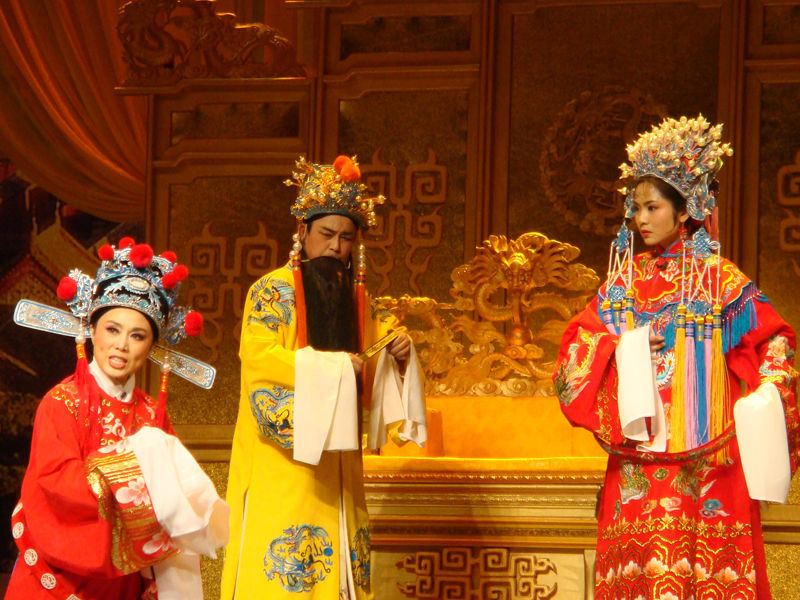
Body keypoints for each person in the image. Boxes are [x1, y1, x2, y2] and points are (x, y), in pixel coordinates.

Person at [554, 115, 799, 600]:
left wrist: (770, 389)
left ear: (684, 210)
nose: (641, 220)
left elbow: (775, 342)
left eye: (653, 207)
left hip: (709, 458)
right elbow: (573, 356)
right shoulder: (621, 284)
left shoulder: (720, 280)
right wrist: (618, 349)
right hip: (638, 459)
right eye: (636, 208)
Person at [221, 155, 426, 600]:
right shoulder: (272, 291)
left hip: (341, 464)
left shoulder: (359, 299)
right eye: (326, 234)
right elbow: (259, 360)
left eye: (346, 238)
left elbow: (376, 353)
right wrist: (335, 369)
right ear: (303, 232)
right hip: (286, 463)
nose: (335, 247)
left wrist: (399, 356)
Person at [6, 238, 227, 600]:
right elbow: (54, 485)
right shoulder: (62, 402)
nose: (122, 345)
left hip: (124, 578)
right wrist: (136, 475)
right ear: (92, 330)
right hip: (59, 573)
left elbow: (178, 500)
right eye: (112, 329)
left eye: (137, 335)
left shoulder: (151, 415)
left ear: (150, 347)